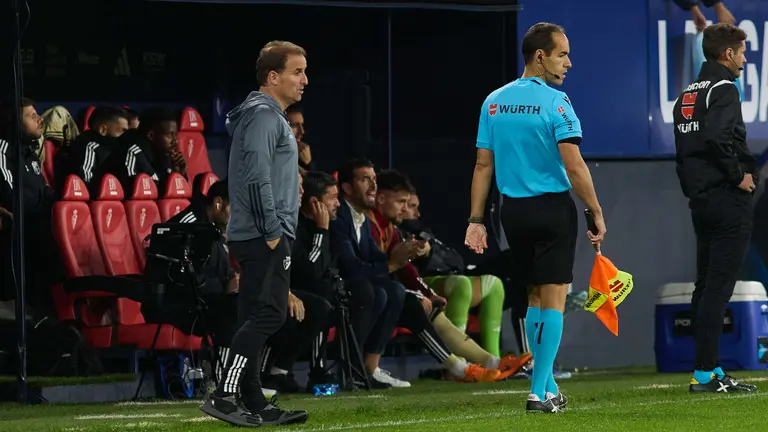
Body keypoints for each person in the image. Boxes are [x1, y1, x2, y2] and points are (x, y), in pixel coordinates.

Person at [464, 22, 605, 414]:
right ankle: (538, 393)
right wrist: (594, 210)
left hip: (514, 213)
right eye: (563, 55)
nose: (569, 63)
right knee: (554, 298)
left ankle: (549, 387)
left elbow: (482, 166)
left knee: (533, 298)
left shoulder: (494, 101)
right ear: (540, 57)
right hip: (552, 210)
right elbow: (574, 166)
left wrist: (476, 219)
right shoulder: (557, 102)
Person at [200, 40, 309, 427]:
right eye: (297, 72)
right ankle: (224, 394)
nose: (305, 80)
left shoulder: (266, 116)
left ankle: (253, 402)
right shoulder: (264, 116)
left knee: (254, 315)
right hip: (265, 234)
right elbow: (256, 177)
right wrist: (273, 230)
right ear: (273, 77)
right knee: (270, 314)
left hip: (259, 232)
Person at [369, 169, 527, 383]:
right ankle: (461, 368)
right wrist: (403, 270)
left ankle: (492, 361)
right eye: (403, 203)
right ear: (381, 198)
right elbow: (376, 268)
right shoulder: (371, 225)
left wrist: (427, 281)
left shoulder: (396, 229)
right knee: (415, 300)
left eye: (410, 204)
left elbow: (448, 261)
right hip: (380, 290)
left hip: (401, 288)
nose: (409, 210)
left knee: (492, 284)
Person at [673, 23, 758, 393]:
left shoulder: (686, 95)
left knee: (706, 284)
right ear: (727, 54)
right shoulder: (724, 89)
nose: (744, 61)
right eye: (742, 53)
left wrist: (696, 190)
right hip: (726, 199)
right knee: (718, 288)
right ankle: (707, 373)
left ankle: (707, 369)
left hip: (701, 200)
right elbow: (718, 138)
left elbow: (683, 153)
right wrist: (738, 176)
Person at [331, 158, 409, 388]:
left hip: (356, 285)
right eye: (366, 179)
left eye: (374, 179)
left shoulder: (362, 219)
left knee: (396, 291)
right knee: (371, 292)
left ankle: (370, 367)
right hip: (334, 285)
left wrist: (406, 252)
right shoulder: (338, 218)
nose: (374, 186)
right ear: (347, 187)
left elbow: (376, 257)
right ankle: (350, 367)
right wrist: (392, 264)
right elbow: (351, 267)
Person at [260, 171, 334, 394]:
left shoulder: (293, 220)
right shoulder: (272, 219)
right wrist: (321, 231)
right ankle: (260, 376)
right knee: (289, 312)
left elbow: (319, 270)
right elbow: (309, 269)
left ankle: (281, 372)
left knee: (324, 299)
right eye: (297, 185)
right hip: (261, 287)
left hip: (285, 287)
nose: (302, 191)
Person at [0, 97, 62, 317]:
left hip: (37, 223)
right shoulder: (3, 149)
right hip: (20, 227)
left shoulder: (30, 153)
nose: (40, 120)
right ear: (13, 122)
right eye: (31, 116)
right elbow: (8, 195)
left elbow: (44, 192)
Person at [54, 106, 129, 193]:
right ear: (103, 130)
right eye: (122, 131)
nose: (126, 136)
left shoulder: (118, 149)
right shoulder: (89, 147)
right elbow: (84, 184)